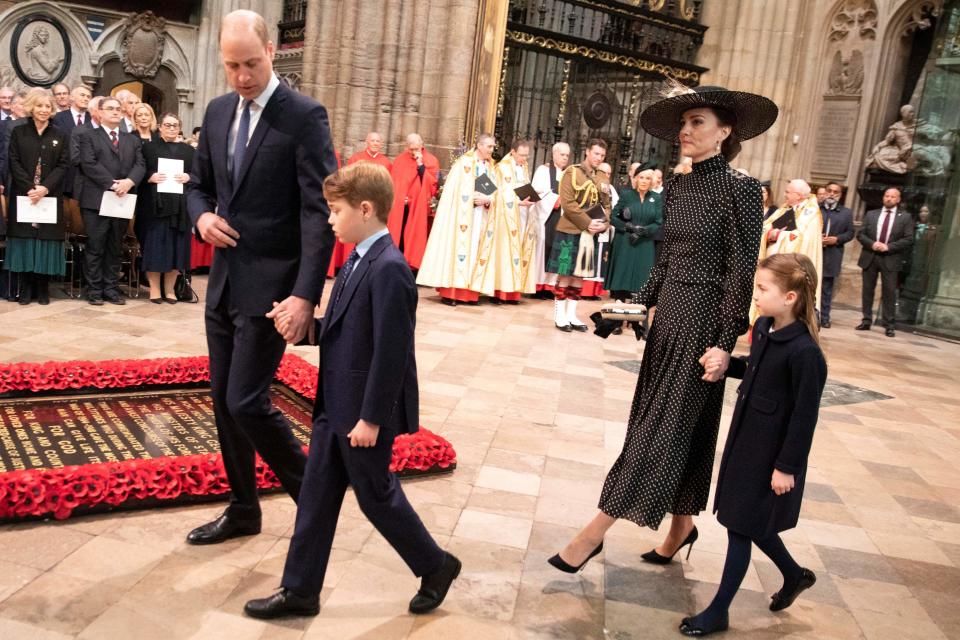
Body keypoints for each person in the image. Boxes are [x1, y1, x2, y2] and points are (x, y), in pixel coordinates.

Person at [549, 84, 776, 574]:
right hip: (667, 319)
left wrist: (725, 341)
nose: (686, 130)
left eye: (698, 122)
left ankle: (594, 533)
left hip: (704, 324)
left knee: (661, 429)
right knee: (680, 430)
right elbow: (665, 257)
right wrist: (632, 304)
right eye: (684, 122)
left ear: (726, 131)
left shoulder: (741, 188)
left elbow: (741, 269)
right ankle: (680, 529)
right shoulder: (677, 185)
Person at [244, 162, 461, 620]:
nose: (329, 219)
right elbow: (346, 330)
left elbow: (391, 352)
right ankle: (300, 591)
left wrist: (372, 418)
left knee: (376, 496)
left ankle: (436, 565)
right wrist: (302, 328)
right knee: (317, 498)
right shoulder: (359, 260)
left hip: (361, 414)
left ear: (365, 209)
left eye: (335, 211)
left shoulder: (389, 269)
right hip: (334, 406)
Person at [185, 9, 337, 545]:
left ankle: (314, 501)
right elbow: (197, 186)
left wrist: (304, 295)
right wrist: (201, 216)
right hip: (224, 283)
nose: (243, 76)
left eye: (251, 63)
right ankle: (244, 509)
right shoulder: (220, 110)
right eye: (232, 66)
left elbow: (318, 213)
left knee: (245, 400)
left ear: (271, 52)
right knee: (225, 402)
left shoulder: (303, 115)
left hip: (274, 289)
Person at [681, 252, 826, 637]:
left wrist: (787, 467)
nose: (756, 295)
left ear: (791, 297)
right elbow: (757, 368)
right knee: (748, 520)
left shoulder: (806, 353)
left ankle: (718, 611)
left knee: (740, 528)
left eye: (763, 289)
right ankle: (795, 575)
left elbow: (804, 417)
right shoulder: (764, 327)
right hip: (745, 443)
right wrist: (728, 362)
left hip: (771, 455)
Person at [76, 96, 145, 305]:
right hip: (96, 198)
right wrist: (113, 183)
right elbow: (88, 163)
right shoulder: (88, 135)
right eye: (110, 109)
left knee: (115, 247)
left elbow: (140, 164)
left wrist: (129, 182)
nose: (115, 112)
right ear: (100, 112)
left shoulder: (132, 139)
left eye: (118, 109)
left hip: (122, 199)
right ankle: (95, 290)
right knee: (96, 246)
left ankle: (111, 288)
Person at [416, 133, 496, 305]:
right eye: (489, 146)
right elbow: (453, 192)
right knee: (458, 251)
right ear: (480, 146)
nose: (492, 150)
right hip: (461, 217)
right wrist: (471, 199)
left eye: (492, 147)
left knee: (474, 251)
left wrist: (487, 200)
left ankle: (469, 294)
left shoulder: (488, 167)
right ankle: (451, 293)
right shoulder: (464, 164)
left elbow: (493, 192)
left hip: (479, 217)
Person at [5, 89, 69, 305]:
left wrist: (45, 188)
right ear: (32, 107)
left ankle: (42, 288)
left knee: (46, 241)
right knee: (25, 240)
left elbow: (63, 165)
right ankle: (24, 288)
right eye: (40, 106)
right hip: (24, 195)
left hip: (49, 197)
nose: (44, 110)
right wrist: (30, 188)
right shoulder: (18, 132)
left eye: (48, 107)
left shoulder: (59, 135)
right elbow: (13, 161)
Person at [548, 138, 609, 331]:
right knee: (565, 273)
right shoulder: (572, 172)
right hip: (570, 229)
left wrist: (602, 224)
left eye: (602, 155)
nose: (599, 158)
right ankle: (559, 316)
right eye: (596, 153)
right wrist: (588, 222)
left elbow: (607, 205)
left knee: (579, 276)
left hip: (590, 234)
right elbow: (568, 203)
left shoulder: (602, 177)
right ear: (587, 152)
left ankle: (571, 314)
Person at [471, 138, 535, 302]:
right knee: (504, 253)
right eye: (521, 155)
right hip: (505, 217)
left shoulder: (524, 168)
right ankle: (501, 291)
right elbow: (497, 193)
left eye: (527, 156)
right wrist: (516, 202)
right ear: (513, 152)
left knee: (518, 251)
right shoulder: (501, 168)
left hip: (522, 214)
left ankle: (513, 291)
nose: (524, 159)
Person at [751, 179, 822, 326]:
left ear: (799, 195)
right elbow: (764, 228)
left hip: (789, 269)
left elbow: (802, 239)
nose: (784, 195)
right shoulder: (784, 209)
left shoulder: (811, 214)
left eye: (788, 192)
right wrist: (769, 233)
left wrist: (778, 235)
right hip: (771, 263)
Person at [139, 113, 193, 303]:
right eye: (167, 125)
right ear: (159, 127)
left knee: (177, 247)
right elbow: (139, 169)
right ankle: (154, 289)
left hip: (180, 208)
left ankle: (169, 290)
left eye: (175, 125)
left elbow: (200, 174)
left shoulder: (189, 151)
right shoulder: (148, 148)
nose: (171, 128)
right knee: (155, 247)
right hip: (156, 206)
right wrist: (149, 176)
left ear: (179, 128)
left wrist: (189, 177)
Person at [856, 187, 913, 338]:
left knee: (889, 292)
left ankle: (889, 325)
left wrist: (888, 247)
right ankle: (866, 320)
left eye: (893, 197)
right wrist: (872, 244)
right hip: (871, 256)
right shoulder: (871, 214)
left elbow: (908, 239)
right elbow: (861, 234)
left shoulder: (905, 217)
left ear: (898, 199)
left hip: (891, 258)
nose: (889, 199)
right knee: (867, 290)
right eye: (887, 196)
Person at [605, 164, 661, 300]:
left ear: (652, 181)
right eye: (641, 177)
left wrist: (643, 231)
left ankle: (636, 319)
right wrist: (628, 228)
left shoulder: (656, 198)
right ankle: (616, 317)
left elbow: (659, 222)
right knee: (621, 280)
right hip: (625, 241)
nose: (644, 181)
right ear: (635, 179)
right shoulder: (626, 195)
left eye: (647, 178)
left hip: (645, 244)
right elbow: (613, 217)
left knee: (641, 281)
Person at [387, 133, 439, 270]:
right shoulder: (399, 160)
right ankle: (394, 264)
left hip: (417, 207)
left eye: (417, 148)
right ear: (406, 147)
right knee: (397, 235)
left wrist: (420, 164)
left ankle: (410, 266)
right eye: (411, 149)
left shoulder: (431, 160)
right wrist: (399, 196)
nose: (414, 152)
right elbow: (393, 182)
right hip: (399, 206)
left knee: (413, 237)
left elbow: (432, 185)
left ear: (422, 146)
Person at [529, 141, 570, 297]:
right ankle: (538, 286)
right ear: (554, 154)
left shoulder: (568, 174)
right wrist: (555, 200)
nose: (565, 158)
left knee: (557, 251)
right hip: (546, 217)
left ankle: (549, 286)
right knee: (543, 250)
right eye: (562, 154)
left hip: (561, 218)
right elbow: (536, 192)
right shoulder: (543, 170)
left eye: (567, 155)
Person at [819, 182, 854, 328]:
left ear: (840, 195)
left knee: (827, 288)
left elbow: (850, 233)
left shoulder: (846, 213)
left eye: (836, 192)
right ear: (825, 192)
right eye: (829, 191)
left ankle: (825, 317)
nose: (832, 194)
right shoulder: (815, 209)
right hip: (815, 252)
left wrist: (837, 239)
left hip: (833, 254)